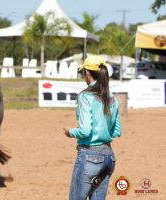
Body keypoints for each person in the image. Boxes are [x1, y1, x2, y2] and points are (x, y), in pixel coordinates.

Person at [63, 55, 122, 200]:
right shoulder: (111, 97)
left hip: (90, 156)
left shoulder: (85, 96)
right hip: (108, 156)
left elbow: (85, 131)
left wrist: (70, 132)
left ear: (87, 73)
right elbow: (116, 131)